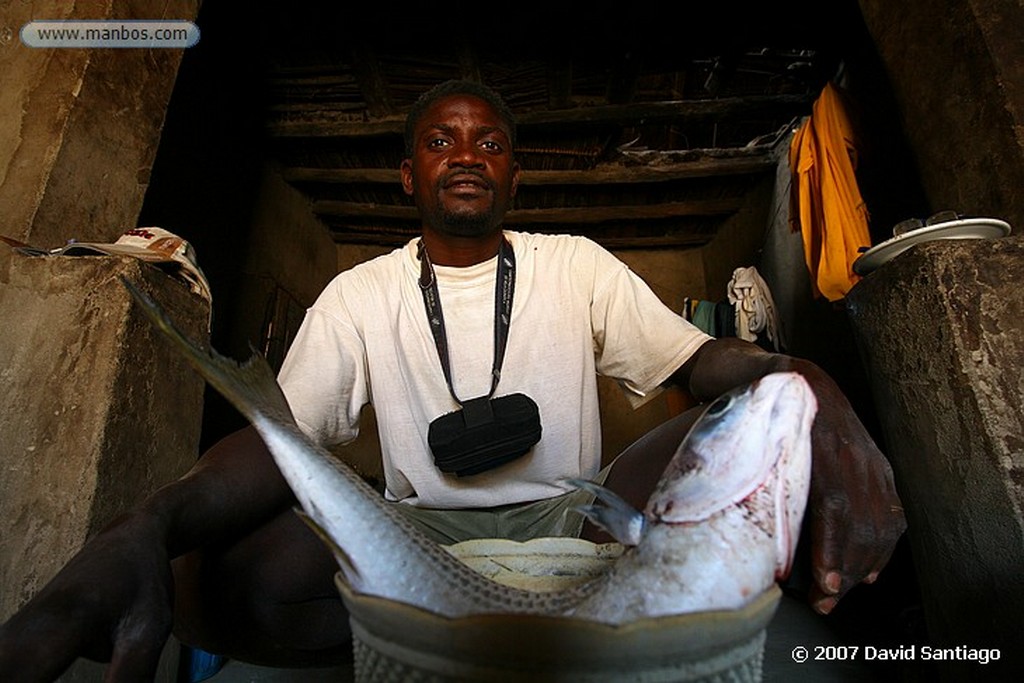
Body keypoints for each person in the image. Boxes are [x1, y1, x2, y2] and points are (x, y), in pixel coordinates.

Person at [0, 80, 906, 681]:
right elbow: (281, 440)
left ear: (513, 170)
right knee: (209, 576)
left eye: (489, 143)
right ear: (409, 173)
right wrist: (146, 520)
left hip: (577, 518)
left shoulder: (576, 263)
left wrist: (801, 381)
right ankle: (453, 640)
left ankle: (517, 633)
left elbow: (700, 362)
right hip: (417, 533)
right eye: (441, 140)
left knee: (755, 410)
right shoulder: (358, 293)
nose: (466, 154)